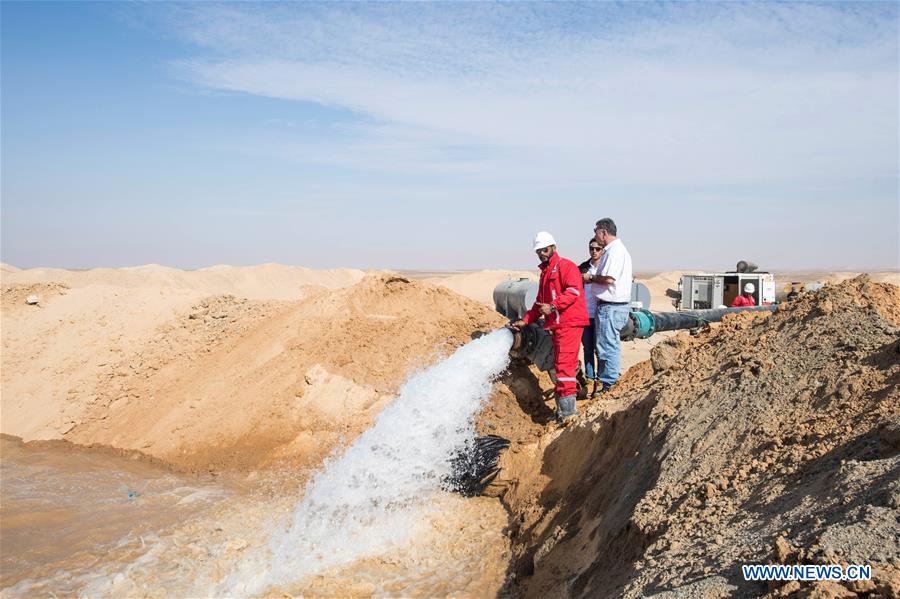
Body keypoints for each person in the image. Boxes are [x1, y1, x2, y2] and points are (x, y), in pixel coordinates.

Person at [510, 231, 589, 423]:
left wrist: (553, 306)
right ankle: (564, 410)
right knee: (561, 365)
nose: (542, 253)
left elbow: (573, 291)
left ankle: (568, 413)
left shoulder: (566, 266)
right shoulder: (546, 273)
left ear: (553, 247)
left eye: (545, 249)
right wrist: (526, 320)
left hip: (569, 323)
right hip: (556, 325)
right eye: (539, 251)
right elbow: (539, 302)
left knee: (564, 366)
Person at [585, 218, 633, 393]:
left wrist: (590, 278)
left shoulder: (615, 252)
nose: (595, 235)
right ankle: (608, 382)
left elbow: (609, 278)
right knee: (606, 345)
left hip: (611, 307)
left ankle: (610, 383)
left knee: (607, 346)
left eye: (596, 231)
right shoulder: (614, 251)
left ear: (604, 232)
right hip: (610, 307)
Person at [578, 239, 604, 397]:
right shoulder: (582, 268)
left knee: (600, 349)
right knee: (587, 348)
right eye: (591, 248)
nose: (594, 251)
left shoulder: (606, 268)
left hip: (601, 315)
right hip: (584, 315)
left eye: (598, 248)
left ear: (602, 250)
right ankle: (589, 378)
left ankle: (600, 380)